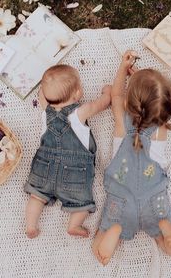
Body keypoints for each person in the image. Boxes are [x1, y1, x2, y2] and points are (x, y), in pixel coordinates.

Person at [92, 51, 171, 265]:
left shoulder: (121, 121)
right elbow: (163, 102)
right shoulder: (161, 127)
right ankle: (166, 228)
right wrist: (144, 87)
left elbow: (116, 95)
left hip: (121, 198)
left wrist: (123, 70)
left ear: (127, 104)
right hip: (155, 198)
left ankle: (114, 230)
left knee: (99, 251)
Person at [24, 64, 111, 239]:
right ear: (78, 94)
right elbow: (101, 104)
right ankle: (74, 225)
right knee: (82, 203)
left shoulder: (45, 110)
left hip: (44, 167)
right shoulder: (80, 112)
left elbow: (43, 95)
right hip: (74, 171)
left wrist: (47, 90)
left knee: (37, 196)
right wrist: (107, 93)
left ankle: (31, 225)